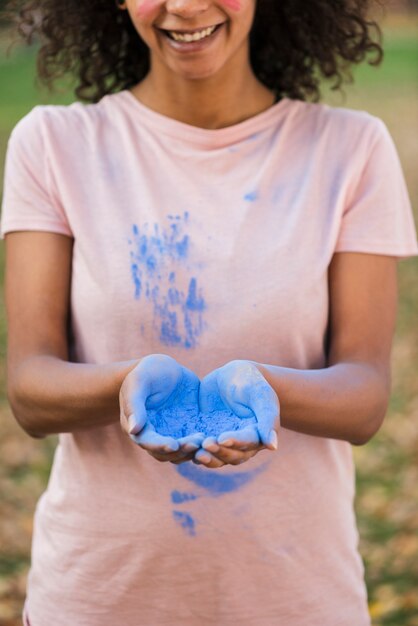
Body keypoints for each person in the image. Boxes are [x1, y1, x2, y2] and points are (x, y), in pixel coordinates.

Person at [1, 0, 417, 623]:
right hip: (98, 598)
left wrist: (266, 387)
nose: (185, 6)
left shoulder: (351, 149)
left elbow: (364, 397)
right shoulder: (53, 143)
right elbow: (31, 389)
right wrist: (124, 381)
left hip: (299, 599)